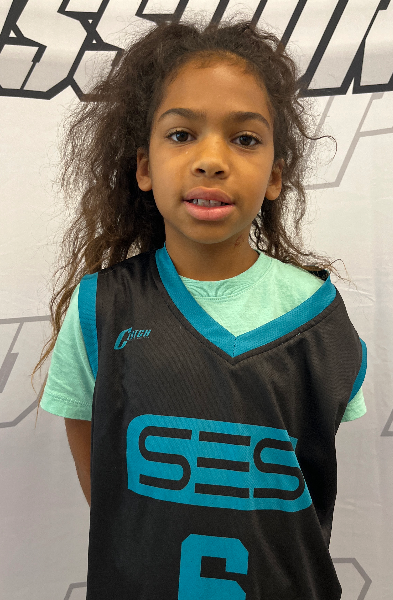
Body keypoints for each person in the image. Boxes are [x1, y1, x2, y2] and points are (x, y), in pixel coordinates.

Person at [36, 15, 367, 600]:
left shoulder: (319, 315)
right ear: (144, 167)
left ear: (275, 176)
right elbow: (100, 464)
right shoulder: (101, 307)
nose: (212, 159)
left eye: (245, 139)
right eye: (182, 134)